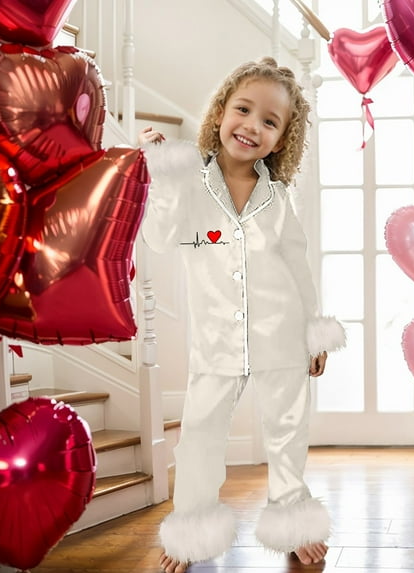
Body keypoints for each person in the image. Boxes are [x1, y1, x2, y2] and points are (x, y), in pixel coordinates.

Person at [139, 57, 346, 573]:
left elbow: (297, 266)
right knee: (199, 440)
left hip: (281, 335)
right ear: (220, 113)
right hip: (216, 343)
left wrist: (313, 331)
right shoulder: (189, 184)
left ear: (281, 140)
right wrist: (161, 175)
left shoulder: (277, 198)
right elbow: (159, 238)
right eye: (244, 110)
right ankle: (191, 530)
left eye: (269, 121)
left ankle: (294, 522)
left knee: (287, 435)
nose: (253, 126)